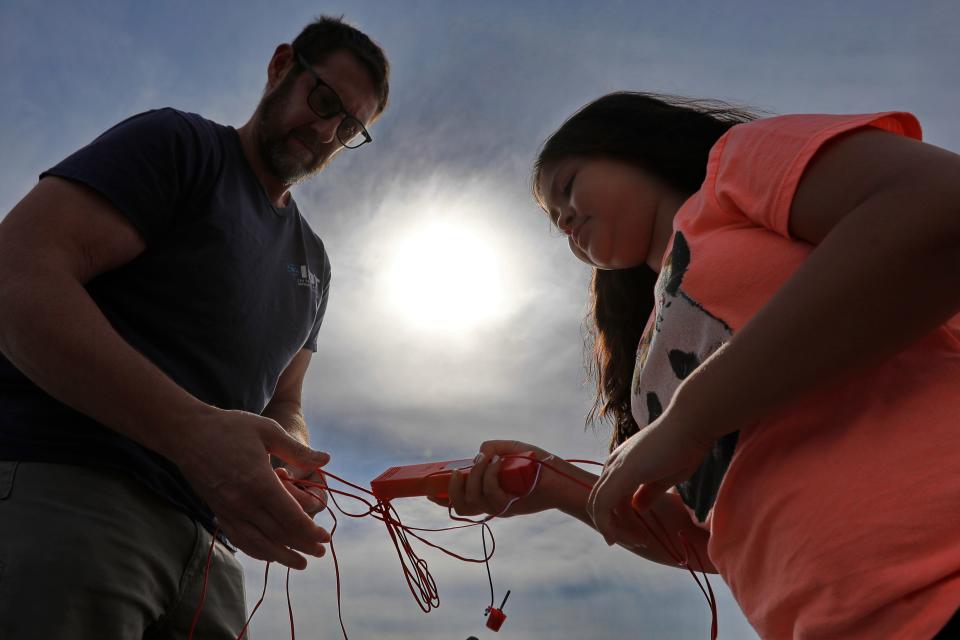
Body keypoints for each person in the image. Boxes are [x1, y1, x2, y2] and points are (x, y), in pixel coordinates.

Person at [430, 92, 960, 639]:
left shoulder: (733, 168)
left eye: (567, 187)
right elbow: (711, 535)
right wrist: (555, 484)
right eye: (555, 221)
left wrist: (691, 418)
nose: (564, 219)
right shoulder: (644, 358)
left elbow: (939, 206)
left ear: (631, 146)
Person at [0, 16, 389, 640]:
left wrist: (289, 458)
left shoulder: (314, 263)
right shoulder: (180, 147)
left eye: (347, 128)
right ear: (281, 65)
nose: (323, 133)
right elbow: (16, 274)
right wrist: (192, 434)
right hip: (74, 493)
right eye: (323, 101)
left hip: (210, 556)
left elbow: (283, 399)